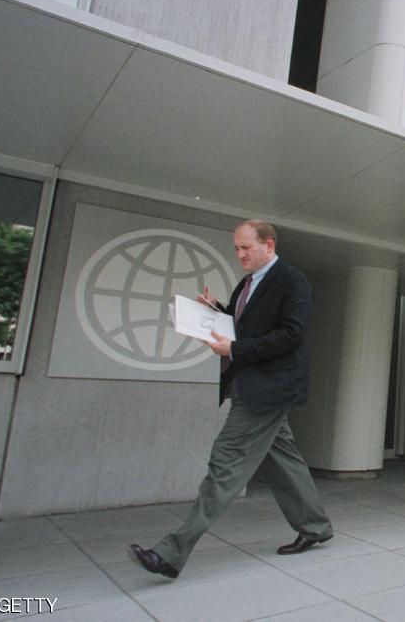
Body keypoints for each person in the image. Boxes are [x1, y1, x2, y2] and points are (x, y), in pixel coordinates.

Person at [129, 221, 333, 579]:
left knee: (224, 463)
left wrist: (235, 348)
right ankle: (315, 527)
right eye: (236, 248)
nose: (239, 254)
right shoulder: (247, 283)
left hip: (269, 390)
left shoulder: (291, 279)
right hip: (248, 384)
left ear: (268, 245)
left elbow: (292, 334)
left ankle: (171, 554)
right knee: (284, 461)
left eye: (245, 248)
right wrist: (216, 311)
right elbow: (248, 327)